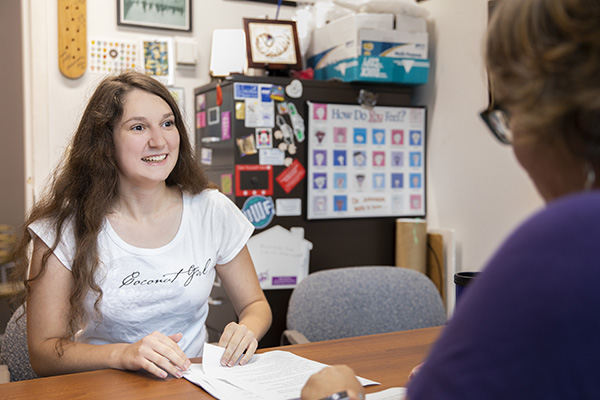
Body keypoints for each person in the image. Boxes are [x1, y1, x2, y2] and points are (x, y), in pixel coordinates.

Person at [301, 0, 600, 398]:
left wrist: (334, 397)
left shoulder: (568, 238)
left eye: (509, 114)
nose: (518, 152)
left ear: (552, 108)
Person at [11, 71, 272, 380]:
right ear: (105, 141)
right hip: (103, 386)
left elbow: (256, 305)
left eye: (167, 123)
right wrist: (125, 353)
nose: (159, 141)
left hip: (192, 383)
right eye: (138, 127)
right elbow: (44, 354)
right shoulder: (63, 228)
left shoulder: (211, 210)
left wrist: (247, 330)